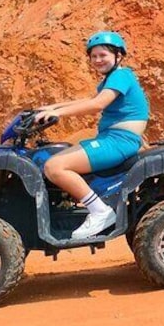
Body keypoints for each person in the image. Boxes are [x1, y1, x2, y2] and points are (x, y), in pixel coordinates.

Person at [34, 31, 150, 239]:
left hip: (119, 141)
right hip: (112, 139)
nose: (97, 60)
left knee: (54, 166)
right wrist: (52, 106)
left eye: (103, 55)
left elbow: (97, 104)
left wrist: (57, 113)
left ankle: (100, 212)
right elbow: (89, 99)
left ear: (118, 56)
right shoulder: (111, 80)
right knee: (55, 155)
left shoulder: (121, 75)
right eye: (94, 56)